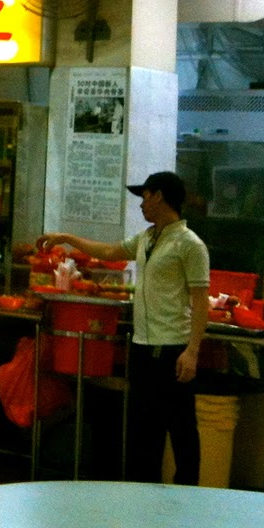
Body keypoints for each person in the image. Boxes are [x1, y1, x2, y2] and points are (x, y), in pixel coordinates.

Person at [39, 170, 209, 484]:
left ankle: (188, 494)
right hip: (143, 346)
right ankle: (145, 493)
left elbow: (201, 301)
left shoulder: (190, 244)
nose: (142, 205)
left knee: (181, 427)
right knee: (145, 428)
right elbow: (108, 251)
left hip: (172, 347)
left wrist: (192, 351)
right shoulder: (147, 238)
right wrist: (67, 238)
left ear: (158, 196)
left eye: (144, 197)